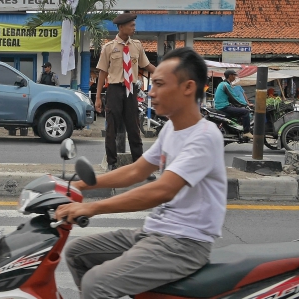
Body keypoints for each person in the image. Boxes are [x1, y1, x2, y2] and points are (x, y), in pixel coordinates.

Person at [56, 47, 226, 299]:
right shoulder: (171, 130)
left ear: (188, 87)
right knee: (76, 253)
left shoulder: (205, 136)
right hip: (153, 233)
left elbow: (162, 190)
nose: (151, 92)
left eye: (158, 84)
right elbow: (136, 170)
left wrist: (91, 208)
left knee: (95, 284)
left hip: (184, 244)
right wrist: (78, 186)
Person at [95, 12, 156, 178]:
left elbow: (147, 65)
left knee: (134, 128)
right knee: (111, 128)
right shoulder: (109, 48)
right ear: (121, 27)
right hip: (114, 89)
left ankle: (139, 166)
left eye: (134, 25)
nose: (134, 28)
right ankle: (111, 163)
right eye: (131, 25)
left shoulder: (136, 46)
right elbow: (102, 73)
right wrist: (98, 97)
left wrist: (164, 73)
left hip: (131, 91)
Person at [214, 69, 253, 139]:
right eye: (234, 75)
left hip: (221, 106)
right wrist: (246, 104)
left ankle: (238, 130)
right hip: (223, 107)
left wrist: (240, 105)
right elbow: (234, 97)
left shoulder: (222, 84)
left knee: (239, 111)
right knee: (245, 112)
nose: (235, 77)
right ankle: (246, 132)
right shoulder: (226, 85)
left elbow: (230, 99)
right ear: (230, 76)